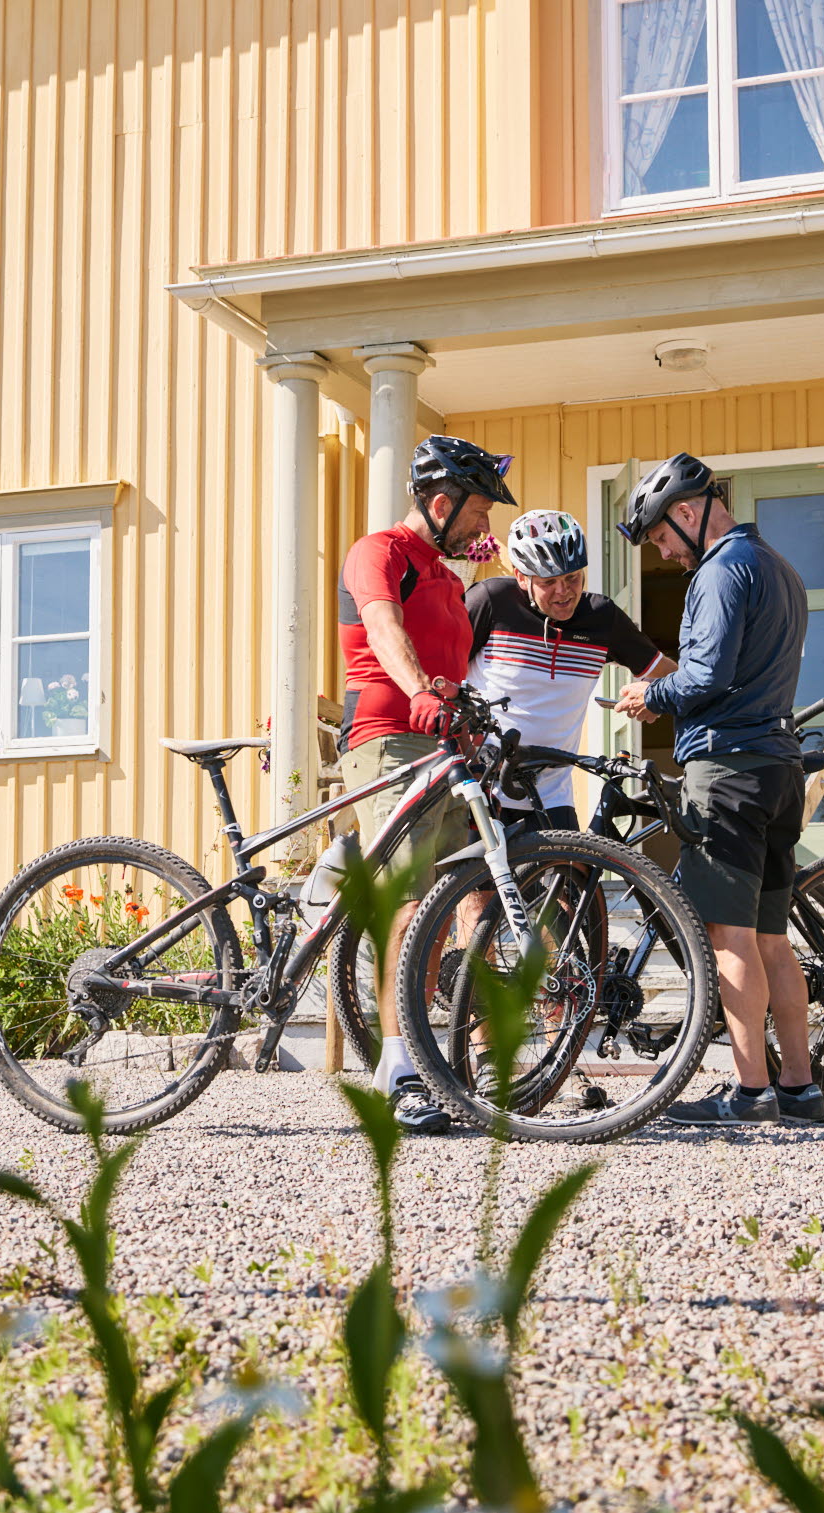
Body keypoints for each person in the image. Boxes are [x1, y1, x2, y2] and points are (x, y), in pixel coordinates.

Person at [612, 453, 824, 1128]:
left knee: (729, 936)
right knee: (771, 936)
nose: (667, 553)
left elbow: (704, 677)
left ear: (687, 511)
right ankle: (800, 1087)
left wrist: (652, 693)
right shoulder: (782, 571)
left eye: (662, 538)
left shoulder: (721, 571)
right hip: (779, 769)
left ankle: (751, 1091)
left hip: (727, 772)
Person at [333, 433, 515, 1135]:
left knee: (449, 904)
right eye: (478, 511)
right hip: (391, 738)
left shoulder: (444, 576)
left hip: (442, 744)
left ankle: (433, 1057)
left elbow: (457, 666)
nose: (485, 527)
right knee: (407, 905)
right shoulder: (379, 551)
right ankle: (398, 1072)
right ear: (440, 503)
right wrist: (419, 691)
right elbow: (382, 627)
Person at [466, 510, 673, 833]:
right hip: (480, 784)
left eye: (573, 578)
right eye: (548, 582)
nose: (564, 592)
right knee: (482, 885)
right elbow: (440, 674)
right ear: (522, 577)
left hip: (551, 795)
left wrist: (654, 697)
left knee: (570, 881)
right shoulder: (492, 601)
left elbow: (668, 673)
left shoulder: (602, 617)